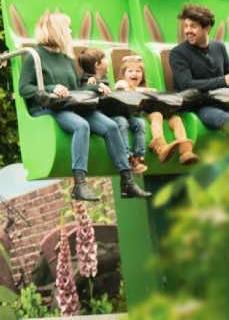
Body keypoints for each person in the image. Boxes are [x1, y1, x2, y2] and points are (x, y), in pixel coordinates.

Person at [17, 13, 150, 202]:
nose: (71, 31)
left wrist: (95, 87)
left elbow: (76, 90)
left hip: (71, 104)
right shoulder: (36, 56)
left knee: (111, 127)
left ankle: (127, 181)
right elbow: (24, 88)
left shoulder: (65, 58)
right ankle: (80, 184)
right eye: (68, 28)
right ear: (57, 30)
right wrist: (51, 88)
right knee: (82, 126)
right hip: (52, 107)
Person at [169, 4, 229, 129]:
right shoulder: (178, 53)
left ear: (207, 28)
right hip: (198, 106)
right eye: (186, 26)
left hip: (224, 101)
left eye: (193, 26)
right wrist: (223, 80)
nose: (187, 31)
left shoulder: (219, 47)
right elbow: (186, 84)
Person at [114, 56, 199, 165]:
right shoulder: (122, 84)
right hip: (139, 113)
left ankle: (185, 151)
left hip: (152, 110)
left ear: (142, 75)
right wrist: (146, 91)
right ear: (123, 75)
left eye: (138, 71)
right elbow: (125, 89)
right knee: (157, 115)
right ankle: (160, 147)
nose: (134, 73)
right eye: (130, 71)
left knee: (175, 119)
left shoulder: (145, 87)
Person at [78, 48, 148, 174]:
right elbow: (85, 89)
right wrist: (94, 86)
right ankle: (127, 156)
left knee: (139, 123)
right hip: (107, 115)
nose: (108, 61)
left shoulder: (105, 80)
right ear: (97, 65)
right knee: (122, 122)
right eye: (105, 59)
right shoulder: (88, 80)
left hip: (119, 111)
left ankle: (139, 156)